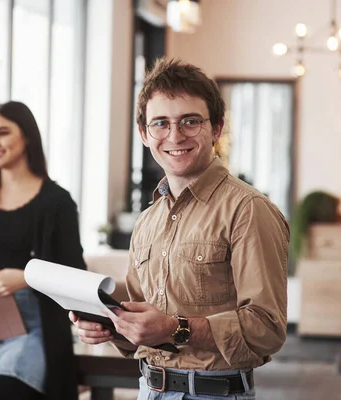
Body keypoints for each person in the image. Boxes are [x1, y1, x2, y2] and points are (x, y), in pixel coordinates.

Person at [71, 58, 290, 400]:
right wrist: (114, 328)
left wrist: (177, 328)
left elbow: (267, 328)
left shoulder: (248, 210)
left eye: (190, 121)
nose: (175, 136)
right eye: (160, 123)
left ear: (216, 129)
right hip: (149, 390)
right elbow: (143, 318)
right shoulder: (147, 220)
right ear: (144, 134)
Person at [0, 101, 86, 400]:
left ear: (26, 136)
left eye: (2, 133)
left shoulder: (57, 202)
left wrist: (28, 276)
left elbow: (77, 276)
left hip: (35, 329)